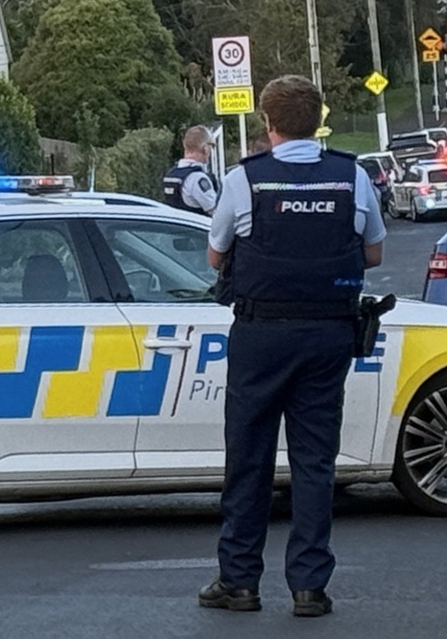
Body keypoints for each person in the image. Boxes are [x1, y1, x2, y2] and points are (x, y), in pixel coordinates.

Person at [199, 76, 385, 619]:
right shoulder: (351, 176)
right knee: (313, 459)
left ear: (268, 123)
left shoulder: (244, 181)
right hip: (328, 333)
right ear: (319, 119)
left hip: (261, 334)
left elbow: (216, 257)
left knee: (249, 458)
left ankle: (239, 581)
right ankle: (309, 586)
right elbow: (372, 253)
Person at [163, 127, 221, 215]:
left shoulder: (170, 174)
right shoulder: (197, 178)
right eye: (212, 146)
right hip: (197, 227)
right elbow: (217, 211)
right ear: (205, 148)